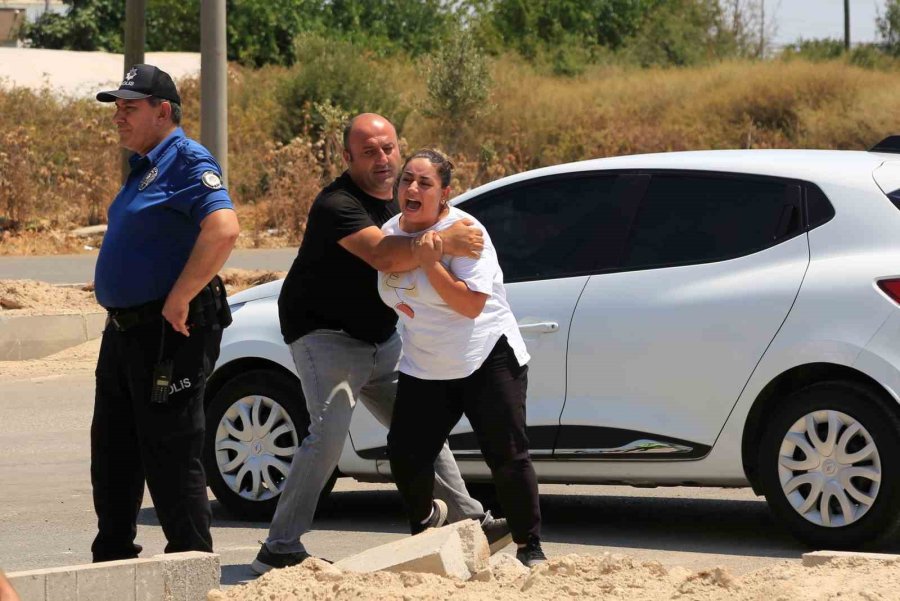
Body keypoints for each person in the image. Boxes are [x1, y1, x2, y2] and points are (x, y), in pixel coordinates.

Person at [251, 113, 510, 574]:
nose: (383, 159)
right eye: (369, 151)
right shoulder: (337, 204)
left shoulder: (402, 201)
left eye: (388, 148)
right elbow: (385, 256)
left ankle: (470, 518)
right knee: (327, 436)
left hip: (380, 335)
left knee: (422, 426)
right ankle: (280, 546)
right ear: (347, 157)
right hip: (324, 335)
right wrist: (444, 241)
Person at [91, 64, 239, 562]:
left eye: (129, 107)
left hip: (167, 334)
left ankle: (190, 564)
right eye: (117, 107)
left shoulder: (187, 159)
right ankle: (112, 559)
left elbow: (223, 229)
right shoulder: (144, 165)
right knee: (113, 451)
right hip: (124, 333)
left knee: (171, 452)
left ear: (163, 111)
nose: (119, 117)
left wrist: (180, 295)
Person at [379, 149, 547, 567]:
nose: (412, 189)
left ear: (445, 193)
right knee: (405, 453)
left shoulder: (468, 232)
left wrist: (432, 261)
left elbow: (469, 305)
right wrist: (424, 248)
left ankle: (531, 546)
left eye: (425, 183)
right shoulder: (390, 230)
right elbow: (384, 259)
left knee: (506, 456)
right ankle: (426, 528)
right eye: (406, 180)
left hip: (484, 356)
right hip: (426, 362)